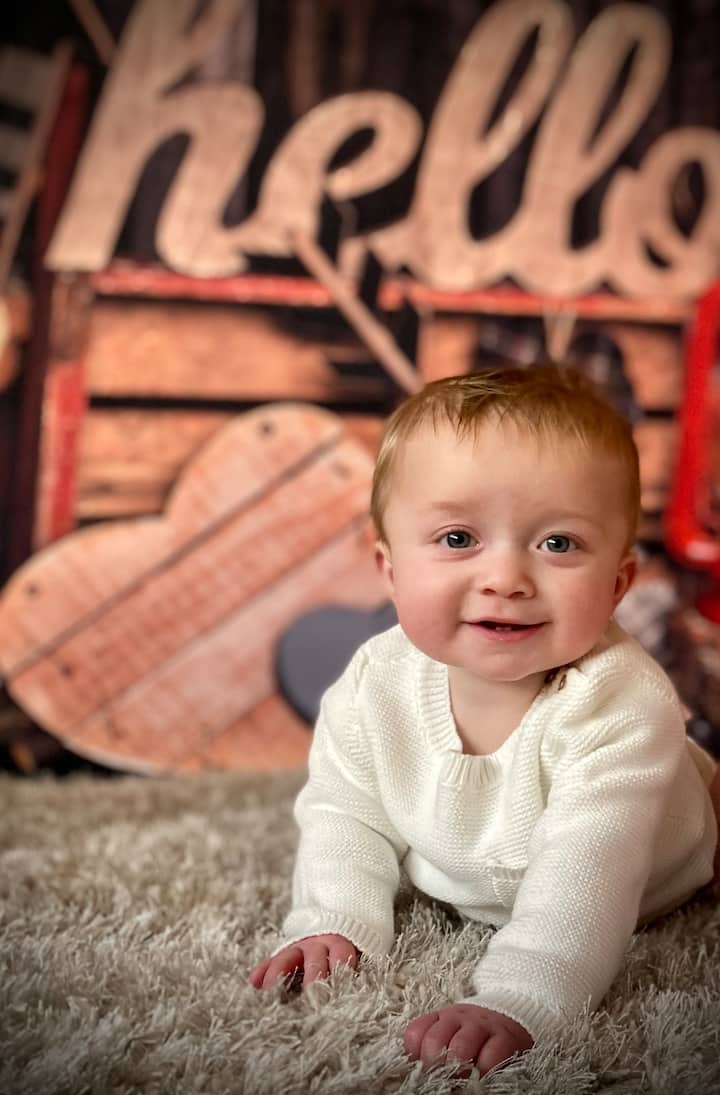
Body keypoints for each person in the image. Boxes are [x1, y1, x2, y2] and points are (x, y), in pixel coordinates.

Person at [250, 366, 719, 1076]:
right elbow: (346, 811)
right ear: (390, 570)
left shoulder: (619, 700)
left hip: (660, 852)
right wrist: (334, 917)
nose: (505, 579)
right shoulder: (377, 682)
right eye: (457, 537)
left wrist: (522, 996)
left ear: (618, 585)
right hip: (475, 858)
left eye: (558, 543)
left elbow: (590, 868)